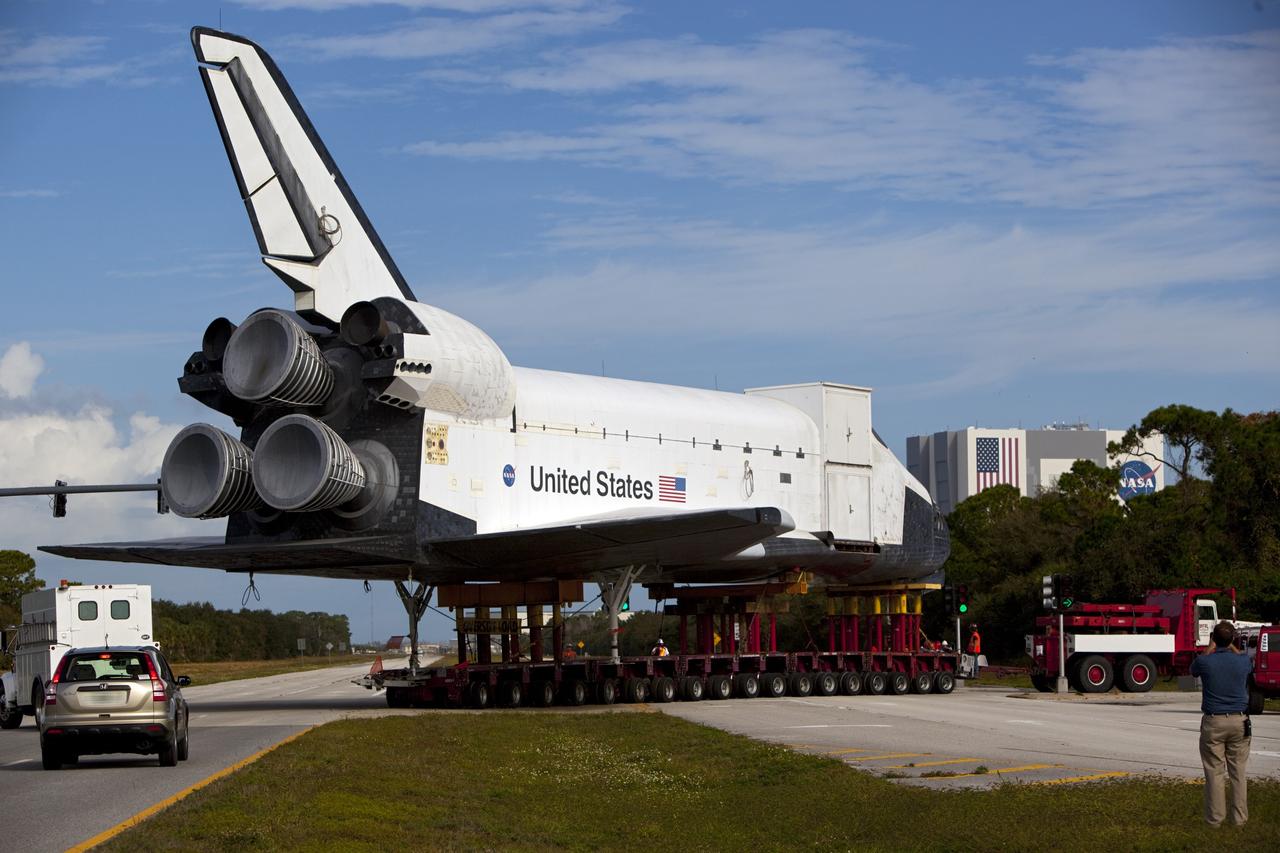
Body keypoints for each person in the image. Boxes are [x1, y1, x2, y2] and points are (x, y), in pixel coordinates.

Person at [1190, 621, 1253, 827]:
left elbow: (1194, 669)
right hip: (1239, 720)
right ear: (1233, 640)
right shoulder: (1243, 661)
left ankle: (1215, 820)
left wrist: (1212, 645)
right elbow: (1239, 657)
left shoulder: (1205, 661)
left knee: (1214, 772)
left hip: (1214, 721)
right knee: (1238, 772)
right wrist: (1229, 643)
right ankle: (1239, 819)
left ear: (1214, 639)